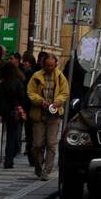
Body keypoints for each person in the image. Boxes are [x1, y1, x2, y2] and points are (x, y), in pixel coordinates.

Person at [27, 52, 69, 180]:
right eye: (48, 65)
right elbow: (30, 92)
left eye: (52, 65)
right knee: (37, 144)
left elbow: (65, 92)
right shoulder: (36, 76)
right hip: (39, 114)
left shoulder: (60, 76)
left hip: (54, 115)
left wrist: (58, 101)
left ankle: (47, 171)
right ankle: (38, 166)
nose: (50, 68)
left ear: (56, 64)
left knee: (51, 144)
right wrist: (40, 101)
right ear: (43, 64)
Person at [0, 56, 28, 168]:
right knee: (12, 136)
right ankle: (9, 160)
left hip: (2, 111)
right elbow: (22, 98)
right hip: (14, 111)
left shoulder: (1, 82)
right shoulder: (18, 82)